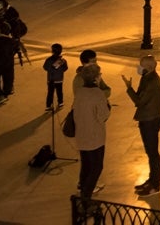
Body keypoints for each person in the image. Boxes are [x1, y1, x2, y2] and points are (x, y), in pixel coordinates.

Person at [121, 54, 160, 196]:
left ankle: (155, 185)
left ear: (149, 67)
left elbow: (139, 101)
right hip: (147, 119)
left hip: (150, 120)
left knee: (153, 153)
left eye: (141, 65)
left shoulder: (152, 83)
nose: (139, 67)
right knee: (150, 152)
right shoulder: (146, 78)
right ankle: (151, 180)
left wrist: (129, 88)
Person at [73, 63, 111, 208]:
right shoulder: (97, 94)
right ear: (96, 78)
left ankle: (83, 193)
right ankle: (86, 199)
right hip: (95, 136)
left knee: (86, 165)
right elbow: (103, 116)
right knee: (96, 167)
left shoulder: (80, 92)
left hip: (81, 134)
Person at [42, 43, 67, 112]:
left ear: (52, 51)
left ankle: (48, 106)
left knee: (50, 92)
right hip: (59, 79)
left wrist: (51, 69)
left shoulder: (48, 60)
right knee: (59, 92)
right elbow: (65, 69)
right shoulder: (62, 61)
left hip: (50, 79)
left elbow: (45, 67)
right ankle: (60, 103)